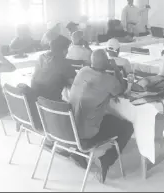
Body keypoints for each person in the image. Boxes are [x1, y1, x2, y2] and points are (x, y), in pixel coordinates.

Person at [68, 49, 134, 182]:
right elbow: (121, 90)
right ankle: (107, 159)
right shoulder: (108, 80)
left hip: (71, 127)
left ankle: (79, 154)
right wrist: (115, 70)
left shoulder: (83, 71)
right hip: (87, 132)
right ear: (107, 63)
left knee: (106, 116)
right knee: (127, 126)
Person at [31, 35, 76, 101]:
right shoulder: (63, 63)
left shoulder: (41, 57)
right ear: (64, 50)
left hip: (37, 101)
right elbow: (75, 83)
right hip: (53, 104)